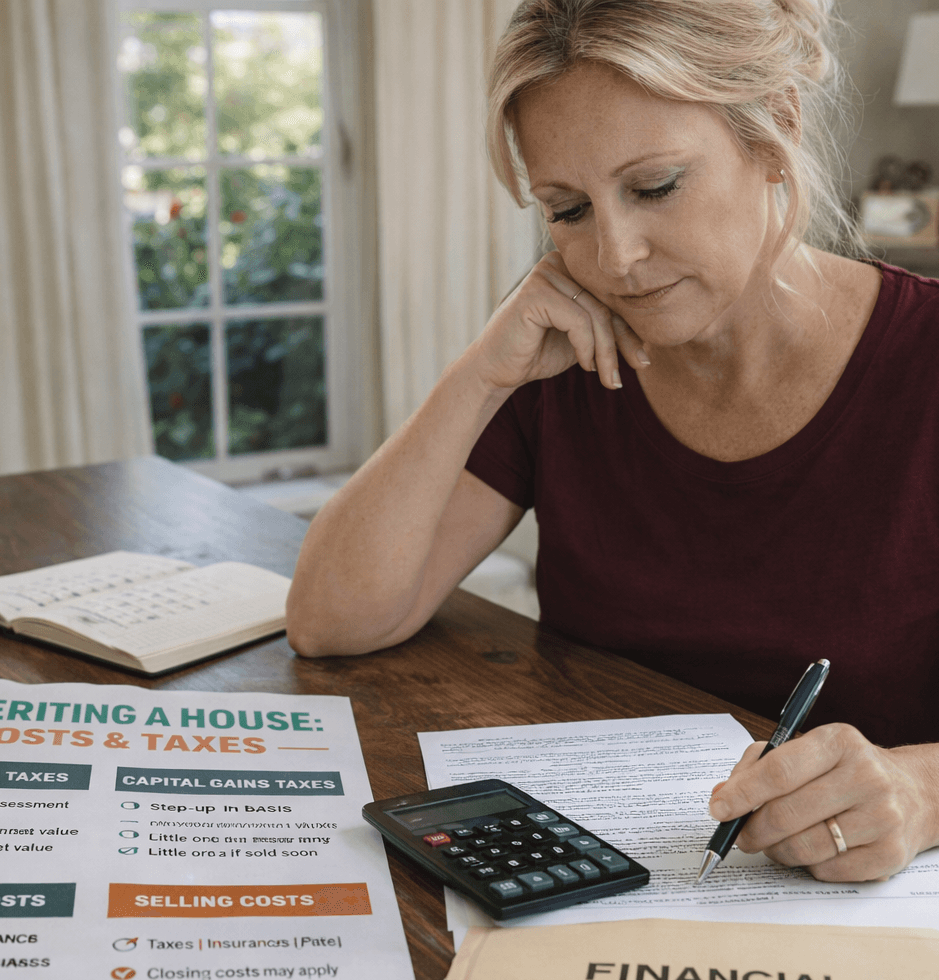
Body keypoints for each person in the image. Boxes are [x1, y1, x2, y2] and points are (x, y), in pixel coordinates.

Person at [287, 0, 939, 884]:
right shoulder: (566, 363)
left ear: (774, 126)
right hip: (601, 889)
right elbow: (333, 620)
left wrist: (921, 788)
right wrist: (482, 373)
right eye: (567, 209)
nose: (616, 256)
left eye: (655, 186)